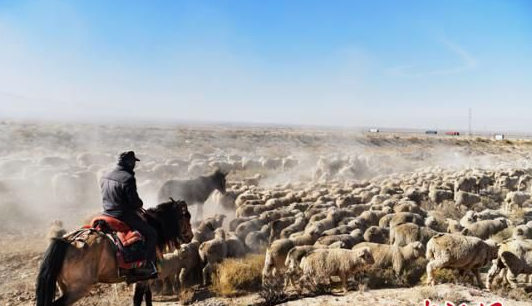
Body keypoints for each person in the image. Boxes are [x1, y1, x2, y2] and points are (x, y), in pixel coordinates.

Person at [100, 151, 158, 279]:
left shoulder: (105, 174)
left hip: (106, 212)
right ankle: (147, 266)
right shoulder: (128, 178)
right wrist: (140, 203)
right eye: (133, 162)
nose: (134, 165)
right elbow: (134, 202)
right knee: (152, 233)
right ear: (129, 163)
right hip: (122, 216)